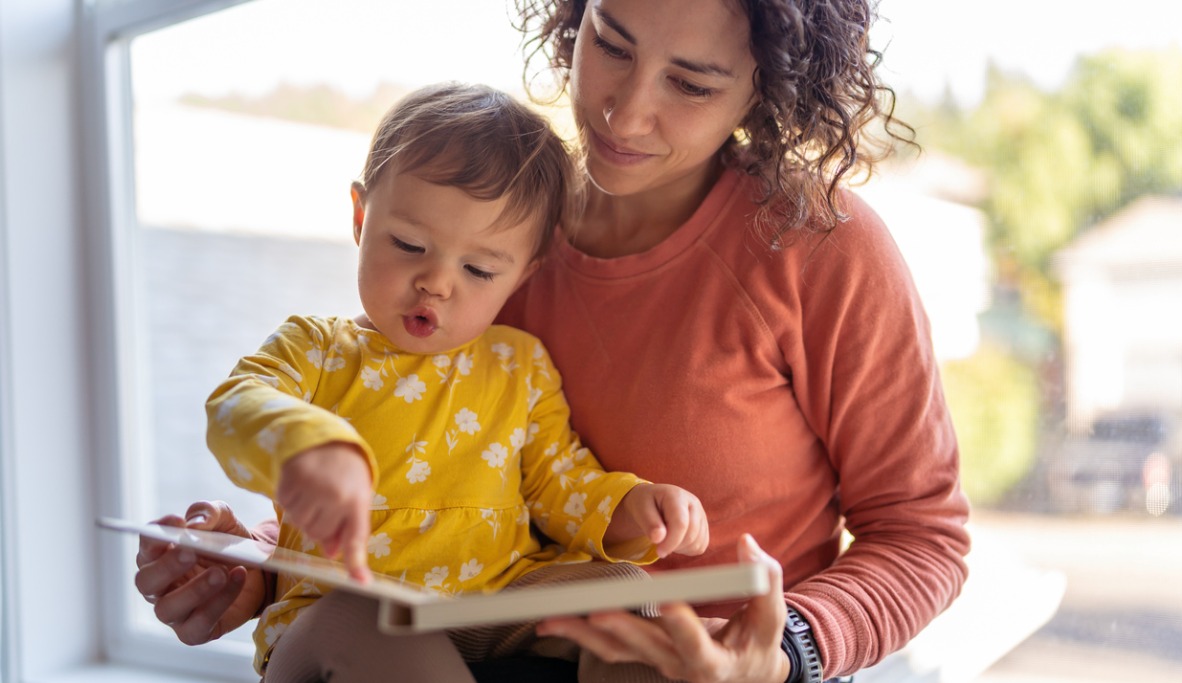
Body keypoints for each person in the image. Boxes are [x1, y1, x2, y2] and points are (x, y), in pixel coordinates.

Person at [135, 1, 972, 682]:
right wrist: (253, 570)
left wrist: (787, 647)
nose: (625, 108)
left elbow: (923, 536)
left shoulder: (821, 248)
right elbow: (419, 475)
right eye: (610, 42)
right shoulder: (492, 231)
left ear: (765, 90)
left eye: (691, 82)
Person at [187, 80, 710, 680]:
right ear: (361, 217)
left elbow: (558, 483)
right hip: (346, 614)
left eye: (478, 269)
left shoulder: (521, 364)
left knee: (626, 588)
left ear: (521, 275)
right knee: (364, 617)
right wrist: (304, 445)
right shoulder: (319, 348)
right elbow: (235, 403)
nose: (436, 282)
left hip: (496, 601)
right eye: (409, 244)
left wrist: (630, 508)